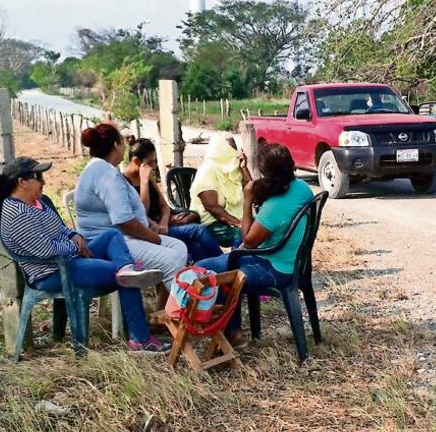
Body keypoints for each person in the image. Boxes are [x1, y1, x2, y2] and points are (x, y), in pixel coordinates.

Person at [0, 155, 169, 353]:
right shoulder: (17, 214)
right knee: (126, 277)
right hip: (52, 272)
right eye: (37, 177)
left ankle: (126, 268)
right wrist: (75, 246)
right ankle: (140, 339)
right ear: (21, 182)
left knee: (112, 235)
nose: (43, 181)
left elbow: (60, 229)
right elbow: (45, 250)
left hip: (70, 259)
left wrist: (74, 235)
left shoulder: (36, 203)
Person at [196, 144, 313, 346]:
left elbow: (248, 241)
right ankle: (232, 330)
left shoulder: (274, 208)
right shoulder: (302, 188)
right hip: (294, 261)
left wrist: (247, 200)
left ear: (267, 175)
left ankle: (230, 332)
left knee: (207, 269)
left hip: (277, 269)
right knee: (219, 262)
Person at [74, 123, 189, 313]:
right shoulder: (106, 174)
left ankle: (164, 311)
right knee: (171, 259)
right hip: (112, 244)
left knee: (179, 246)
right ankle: (182, 315)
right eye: (122, 141)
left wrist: (150, 224)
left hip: (122, 237)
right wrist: (152, 237)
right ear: (116, 145)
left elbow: (131, 210)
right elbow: (124, 221)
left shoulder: (102, 168)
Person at [122, 137, 223, 262]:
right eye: (150, 162)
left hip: (163, 225)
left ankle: (209, 271)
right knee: (198, 230)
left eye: (155, 162)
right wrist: (143, 182)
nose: (153, 166)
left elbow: (164, 205)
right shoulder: (124, 182)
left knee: (195, 246)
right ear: (136, 161)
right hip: (149, 230)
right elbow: (141, 212)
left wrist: (164, 222)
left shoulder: (149, 178)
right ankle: (225, 262)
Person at [189, 136, 251, 247]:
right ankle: (237, 262)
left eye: (235, 147)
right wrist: (238, 223)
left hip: (233, 218)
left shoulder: (231, 169)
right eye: (231, 148)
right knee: (242, 233)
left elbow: (251, 191)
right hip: (210, 222)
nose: (235, 152)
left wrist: (244, 168)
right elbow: (212, 207)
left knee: (262, 226)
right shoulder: (207, 170)